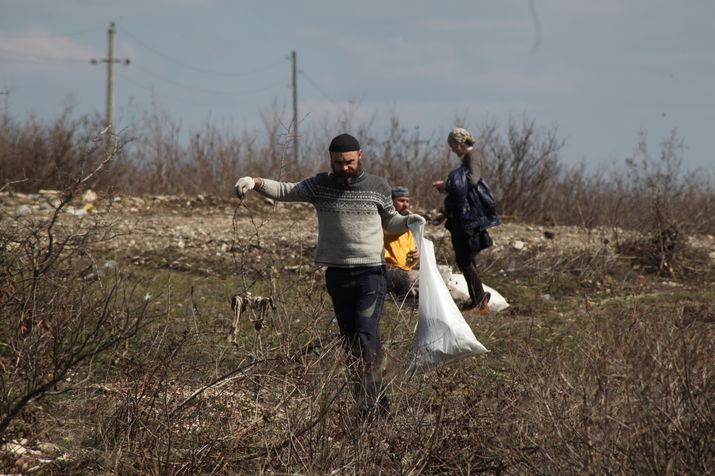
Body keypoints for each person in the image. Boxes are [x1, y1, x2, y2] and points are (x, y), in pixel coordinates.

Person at [234, 133, 425, 414]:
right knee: (350, 341)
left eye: (349, 161)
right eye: (338, 162)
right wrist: (255, 183)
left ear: (360, 155)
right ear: (331, 160)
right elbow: (287, 190)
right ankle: (369, 402)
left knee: (365, 333)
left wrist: (409, 221)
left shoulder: (377, 186)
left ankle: (374, 408)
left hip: (371, 273)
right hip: (337, 274)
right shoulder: (320, 185)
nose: (344, 167)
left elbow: (391, 222)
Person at [431, 127, 500, 313]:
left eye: (453, 145)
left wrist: (447, 184)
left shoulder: (472, 157)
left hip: (468, 219)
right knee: (465, 259)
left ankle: (480, 301)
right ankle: (477, 298)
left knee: (464, 260)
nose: (452, 149)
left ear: (460, 143)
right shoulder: (468, 158)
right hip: (462, 216)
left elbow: (472, 181)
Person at [383, 186, 420, 298]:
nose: (406, 204)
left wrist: (416, 255)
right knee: (409, 295)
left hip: (407, 269)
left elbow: (410, 246)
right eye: (401, 200)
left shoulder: (409, 220)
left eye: (407, 201)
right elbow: (391, 233)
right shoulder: (383, 219)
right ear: (391, 201)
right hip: (389, 269)